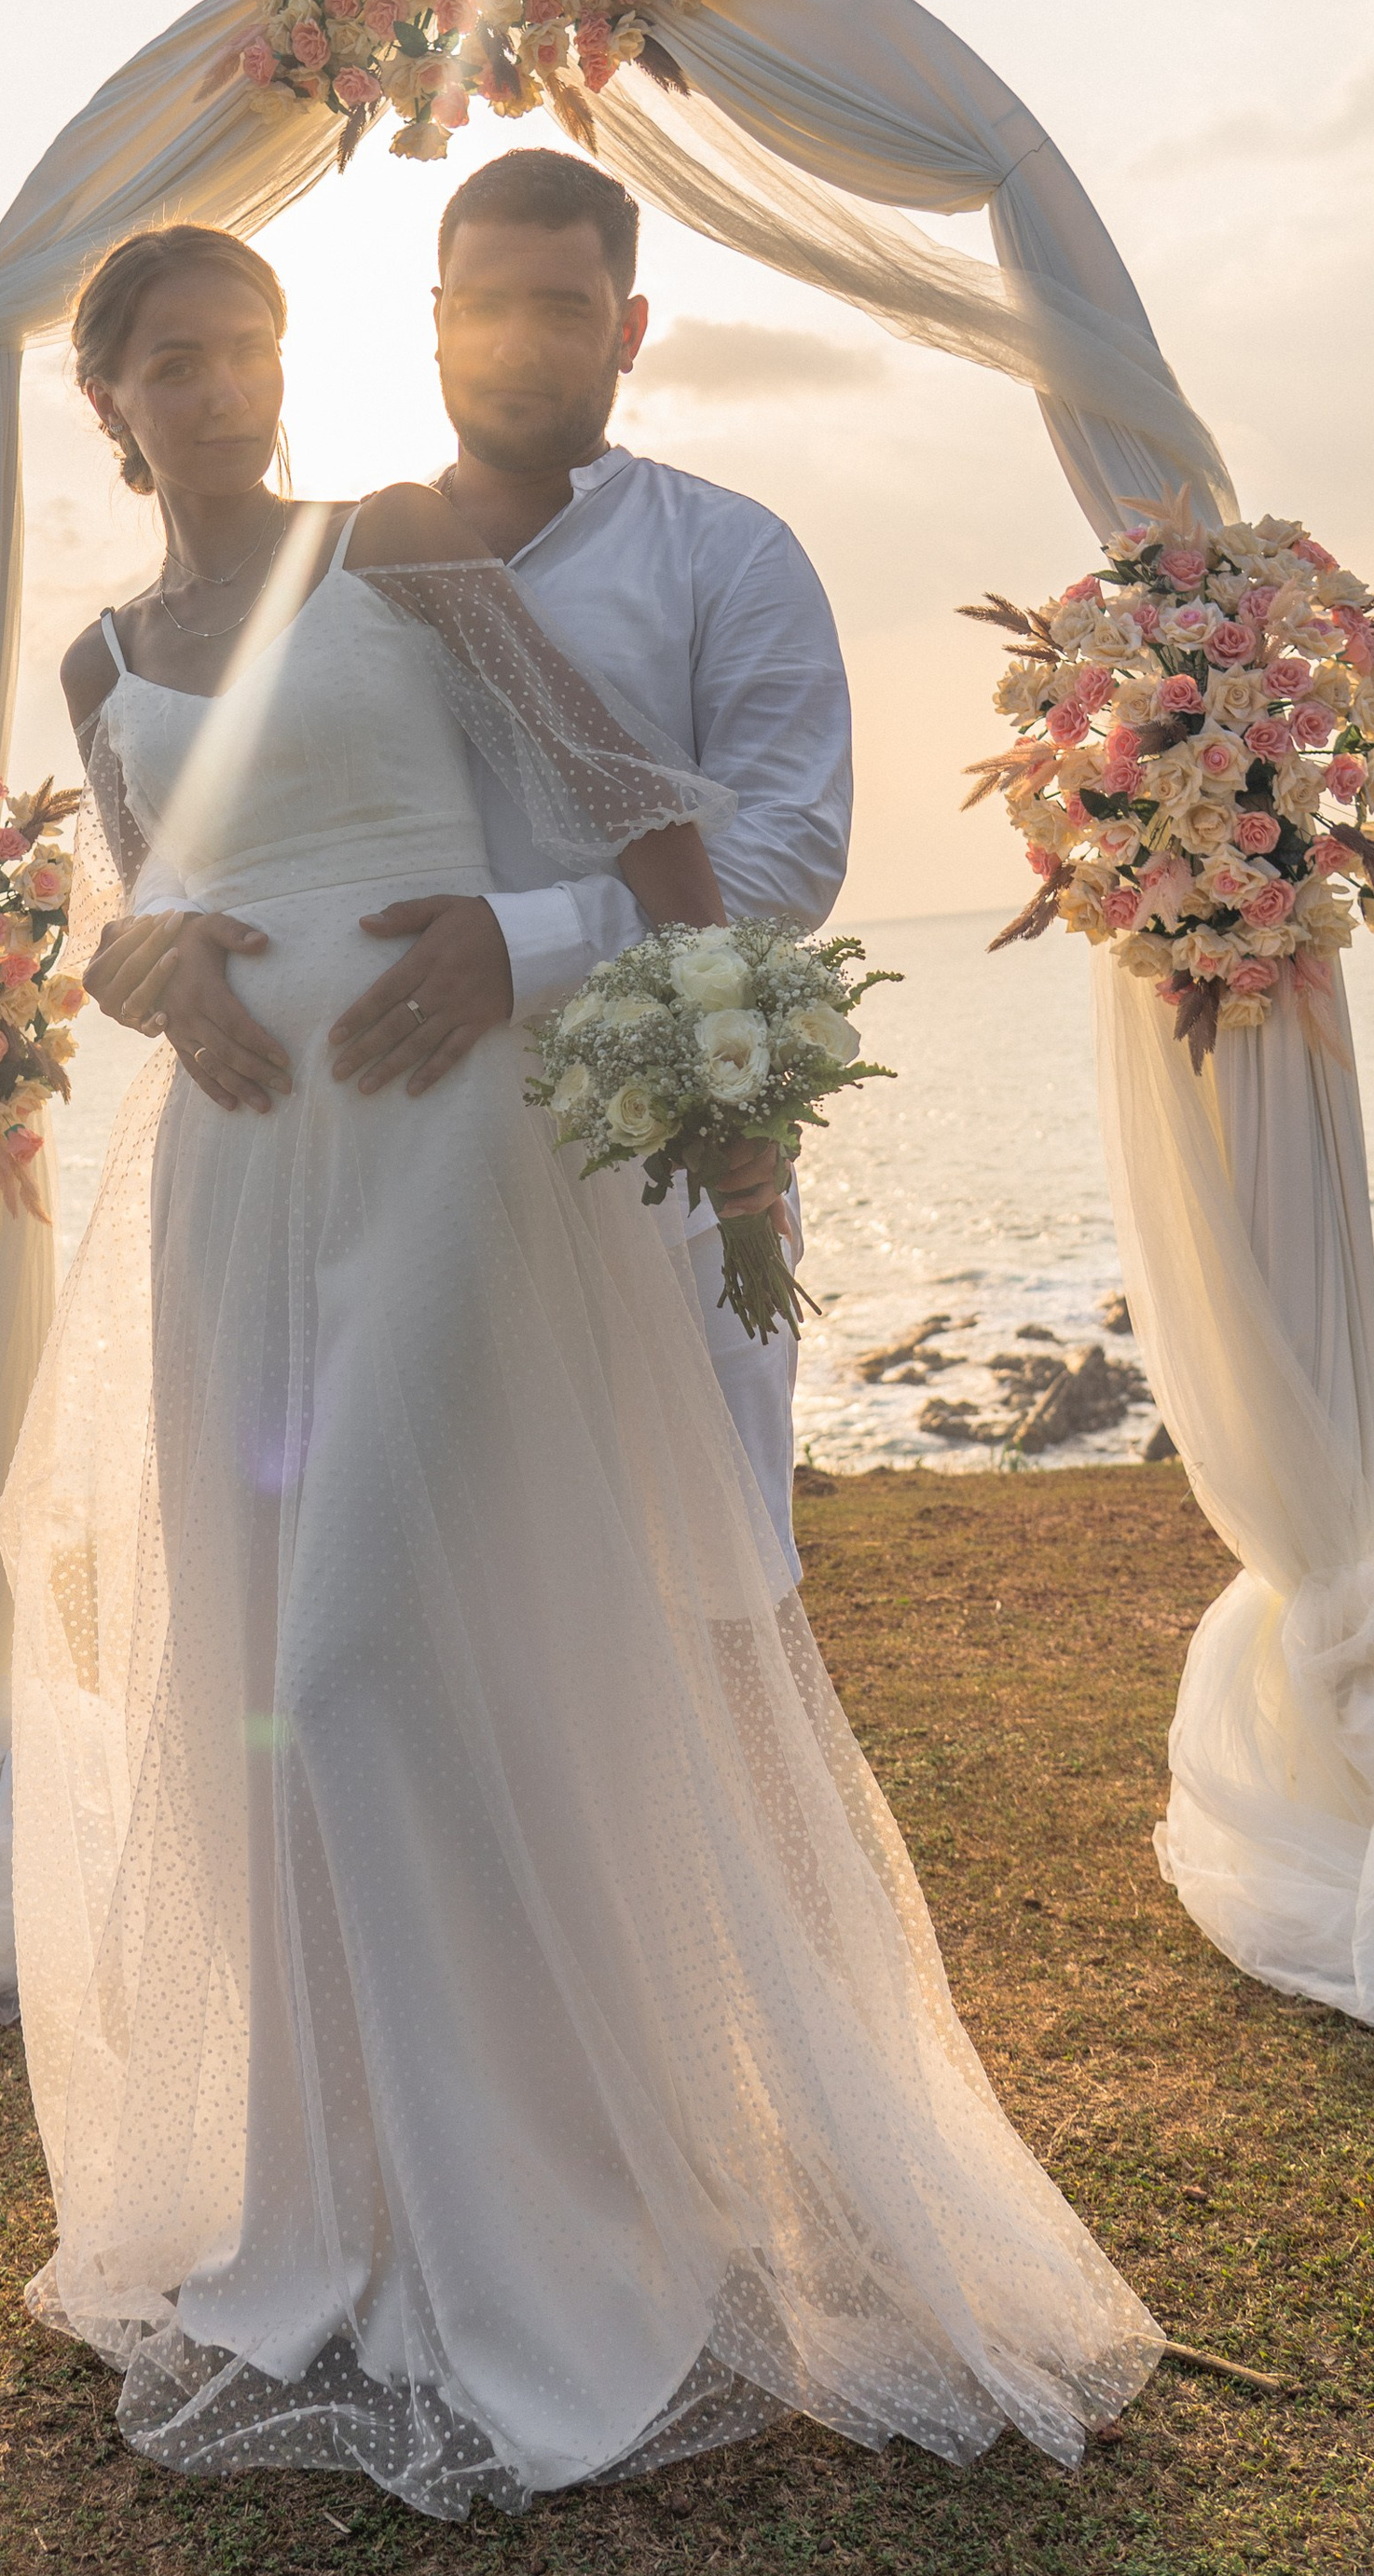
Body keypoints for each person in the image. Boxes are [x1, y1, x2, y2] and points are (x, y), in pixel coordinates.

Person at [0, 218, 1158, 2522]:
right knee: (260, 1670)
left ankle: (556, 2233)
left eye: (249, 349)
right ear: (105, 401)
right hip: (241, 1175)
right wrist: (148, 973)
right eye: (174, 362)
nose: (221, 390)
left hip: (450, 1138)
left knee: (343, 1672)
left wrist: (531, 965)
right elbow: (134, 894)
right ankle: (369, 2210)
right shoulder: (92, 656)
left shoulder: (400, 545)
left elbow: (650, 816)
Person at [81, 148, 850, 1573]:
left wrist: (529, 941)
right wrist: (171, 939)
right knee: (421, 1587)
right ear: (430, 318)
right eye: (486, 304)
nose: (519, 341)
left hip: (644, 1161)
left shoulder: (727, 556)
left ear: (627, 327)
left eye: (565, 309)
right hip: (360, 1146)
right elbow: (195, 847)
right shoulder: (345, 560)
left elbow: (787, 851)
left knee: (705, 1585)